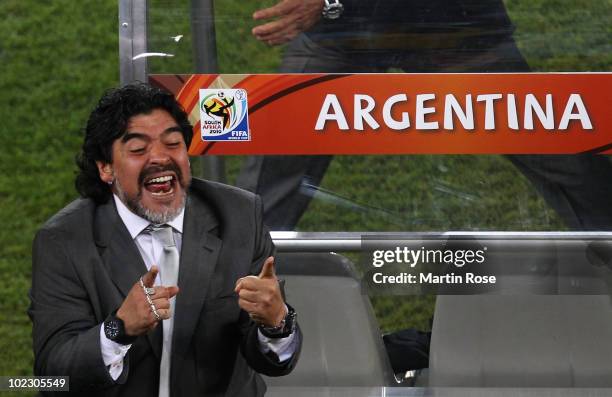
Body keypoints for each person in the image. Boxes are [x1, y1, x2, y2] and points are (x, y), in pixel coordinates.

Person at [238, 0, 612, 231]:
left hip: (451, 28)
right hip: (344, 32)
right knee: (276, 147)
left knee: (553, 145)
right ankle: (229, 302)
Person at [28, 83, 301, 396]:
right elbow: (53, 373)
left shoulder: (239, 216)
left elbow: (271, 360)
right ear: (105, 168)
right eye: (138, 150)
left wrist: (276, 323)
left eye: (173, 144)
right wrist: (118, 329)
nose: (160, 158)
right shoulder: (64, 241)